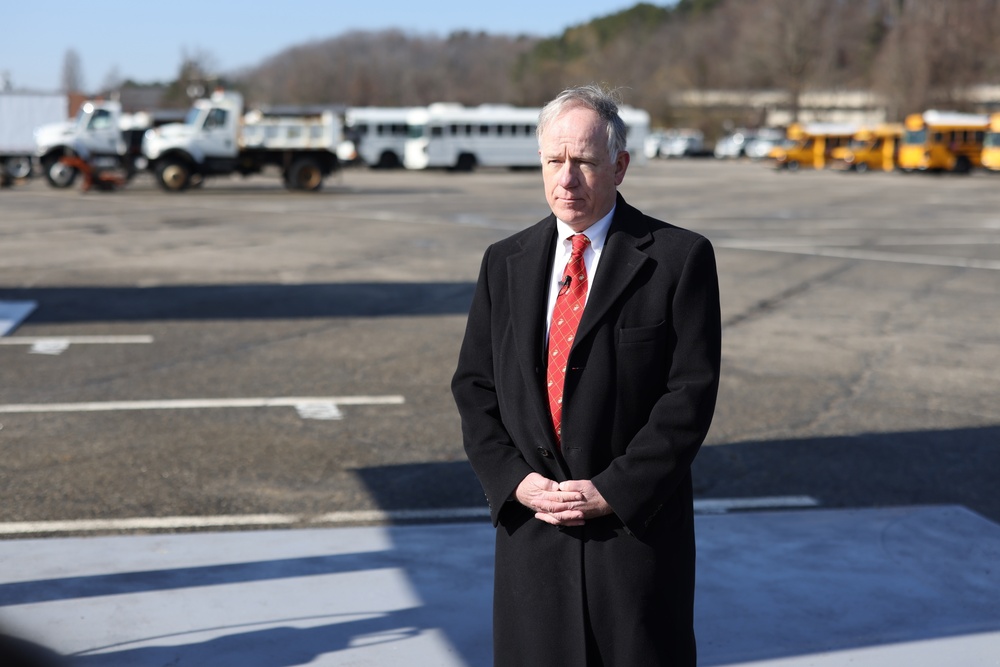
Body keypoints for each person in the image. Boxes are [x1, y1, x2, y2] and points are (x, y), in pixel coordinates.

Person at [451, 84, 722, 666]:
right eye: (554, 161)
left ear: (620, 166)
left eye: (584, 162)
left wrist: (614, 490)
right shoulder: (505, 262)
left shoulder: (678, 259)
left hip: (631, 541)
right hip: (533, 539)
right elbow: (474, 387)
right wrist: (512, 481)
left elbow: (689, 397)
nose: (566, 179)